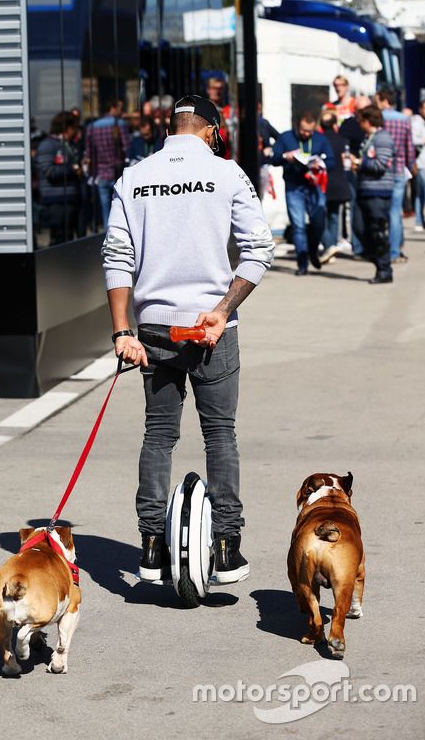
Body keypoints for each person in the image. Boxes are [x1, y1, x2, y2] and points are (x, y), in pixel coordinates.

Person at [101, 94, 275, 584]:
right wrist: (221, 311)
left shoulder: (133, 178)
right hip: (211, 328)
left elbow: (116, 256)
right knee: (220, 434)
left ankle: (152, 548)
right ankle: (225, 548)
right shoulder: (227, 173)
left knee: (158, 435)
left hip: (154, 331)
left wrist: (122, 332)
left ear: (169, 128)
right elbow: (260, 249)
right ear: (211, 131)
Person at [272, 111, 334, 275]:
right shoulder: (286, 137)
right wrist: (286, 156)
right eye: (303, 131)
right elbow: (274, 158)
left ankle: (312, 250)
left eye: (310, 131)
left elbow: (332, 161)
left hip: (315, 186)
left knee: (319, 222)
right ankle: (302, 262)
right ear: (297, 126)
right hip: (294, 187)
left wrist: (320, 162)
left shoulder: (320, 139)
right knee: (298, 226)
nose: (306, 134)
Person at [351, 105, 395, 284]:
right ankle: (379, 262)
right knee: (360, 228)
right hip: (365, 189)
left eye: (361, 121)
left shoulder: (383, 138)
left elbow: (381, 164)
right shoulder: (369, 138)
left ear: (368, 121)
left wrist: (360, 162)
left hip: (378, 191)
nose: (359, 125)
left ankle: (384, 269)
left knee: (377, 231)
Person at [374, 87, 415, 263]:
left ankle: (379, 247)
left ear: (384, 100)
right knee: (394, 212)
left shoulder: (378, 119)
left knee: (379, 210)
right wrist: (410, 165)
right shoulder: (404, 119)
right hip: (398, 169)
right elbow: (409, 146)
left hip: (380, 168)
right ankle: (394, 251)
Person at [35, 111, 81, 246]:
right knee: (59, 240)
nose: (76, 131)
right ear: (68, 127)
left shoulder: (69, 145)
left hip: (70, 199)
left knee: (69, 239)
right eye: (75, 127)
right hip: (56, 202)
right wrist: (72, 169)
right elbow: (49, 172)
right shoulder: (47, 145)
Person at [84, 99, 130, 229]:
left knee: (105, 208)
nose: (122, 111)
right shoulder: (120, 124)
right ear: (113, 108)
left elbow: (89, 152)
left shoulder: (92, 127)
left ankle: (106, 234)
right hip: (118, 171)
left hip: (101, 171)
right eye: (120, 108)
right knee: (121, 207)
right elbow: (127, 148)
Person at [318, 111, 352, 264]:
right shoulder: (343, 140)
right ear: (334, 124)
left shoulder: (318, 140)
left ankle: (329, 246)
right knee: (334, 217)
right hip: (339, 183)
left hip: (323, 183)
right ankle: (330, 247)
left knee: (321, 217)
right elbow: (347, 163)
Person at [340, 95, 371, 255]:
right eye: (360, 110)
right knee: (355, 207)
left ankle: (371, 245)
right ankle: (359, 246)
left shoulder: (375, 123)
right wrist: (351, 160)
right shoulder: (349, 123)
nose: (364, 113)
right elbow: (344, 147)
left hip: (373, 172)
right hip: (355, 170)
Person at [411, 99, 425, 231]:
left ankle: (419, 220)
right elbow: (412, 140)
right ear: (420, 109)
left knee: (421, 194)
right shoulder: (416, 122)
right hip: (423, 163)